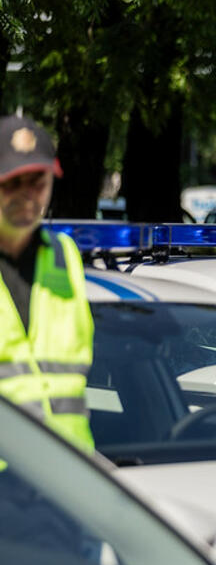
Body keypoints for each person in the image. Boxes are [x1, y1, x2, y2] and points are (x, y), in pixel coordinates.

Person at [0, 115, 94, 452]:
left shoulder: (65, 257)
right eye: (13, 182)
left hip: (69, 481)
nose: (27, 195)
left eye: (37, 181)